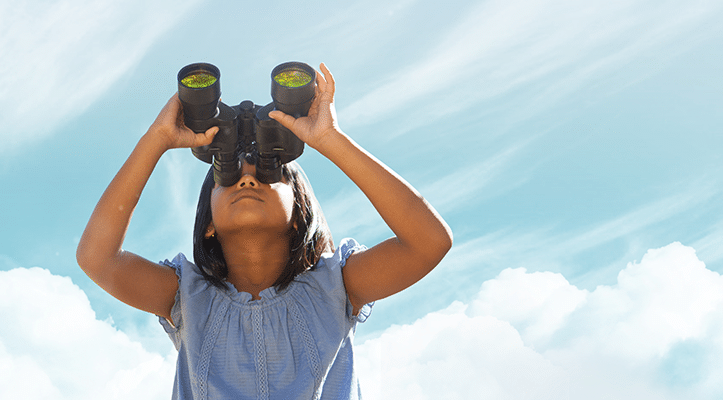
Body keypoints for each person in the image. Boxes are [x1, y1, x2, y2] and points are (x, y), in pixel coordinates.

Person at [76, 63, 453, 399]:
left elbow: (429, 242)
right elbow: (97, 257)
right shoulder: (188, 298)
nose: (246, 180)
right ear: (207, 222)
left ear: (299, 211)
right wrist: (155, 140)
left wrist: (329, 139)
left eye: (269, 171)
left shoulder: (336, 286)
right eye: (228, 174)